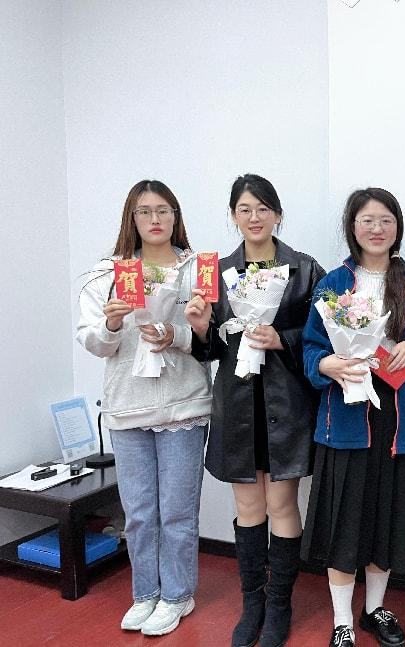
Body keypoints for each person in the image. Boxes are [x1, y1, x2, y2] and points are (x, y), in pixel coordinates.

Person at [184, 174, 324, 647]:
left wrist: (281, 338)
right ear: (233, 216)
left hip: (286, 404)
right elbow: (209, 350)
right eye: (244, 209)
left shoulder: (304, 268)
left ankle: (280, 605)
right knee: (248, 506)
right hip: (237, 403)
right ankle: (253, 604)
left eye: (263, 208)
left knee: (282, 504)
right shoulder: (217, 273)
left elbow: (325, 334)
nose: (254, 217)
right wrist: (200, 328)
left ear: (278, 214)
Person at [77, 180, 212, 636]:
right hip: (127, 406)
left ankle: (177, 595)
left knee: (177, 512)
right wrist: (112, 324)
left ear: (176, 216)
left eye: (163, 210)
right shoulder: (107, 274)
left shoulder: (197, 269)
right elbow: (94, 341)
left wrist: (179, 334)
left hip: (184, 405)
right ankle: (145, 594)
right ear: (131, 219)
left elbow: (214, 338)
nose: (155, 219)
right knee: (137, 514)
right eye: (144, 211)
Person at [302, 187, 405, 647]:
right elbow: (310, 346)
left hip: (396, 422)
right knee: (344, 524)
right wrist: (326, 364)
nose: (377, 229)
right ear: (352, 227)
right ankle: (342, 620)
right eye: (367, 220)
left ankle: (375, 609)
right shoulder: (333, 283)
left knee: (386, 523)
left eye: (386, 220)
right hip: (346, 420)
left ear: (398, 227)